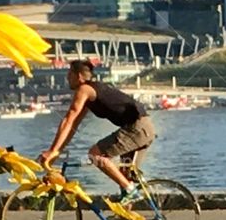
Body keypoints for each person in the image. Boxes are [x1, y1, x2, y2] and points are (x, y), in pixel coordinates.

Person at [39, 60, 155, 202]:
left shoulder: (84, 90)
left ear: (79, 76)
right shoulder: (91, 92)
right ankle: (127, 219)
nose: (67, 78)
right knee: (124, 178)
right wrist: (57, 151)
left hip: (137, 128)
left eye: (69, 74)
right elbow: (73, 125)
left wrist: (52, 150)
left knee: (96, 154)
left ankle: (130, 191)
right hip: (142, 127)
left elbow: (68, 119)